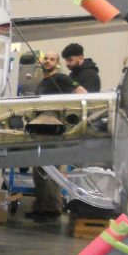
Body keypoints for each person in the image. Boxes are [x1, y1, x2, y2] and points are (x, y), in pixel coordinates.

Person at [28, 52, 86, 221]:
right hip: (40, 131)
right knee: (39, 173)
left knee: (52, 173)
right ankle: (40, 208)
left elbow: (83, 93)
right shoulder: (42, 82)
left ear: (57, 63)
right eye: (45, 58)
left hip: (55, 132)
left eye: (52, 59)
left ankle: (52, 210)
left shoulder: (61, 79)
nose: (47, 61)